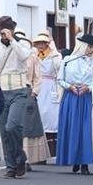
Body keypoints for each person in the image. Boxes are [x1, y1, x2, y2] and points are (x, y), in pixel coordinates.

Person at [0, 17, 35, 178]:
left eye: (6, 30)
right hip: (2, 92)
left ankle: (20, 157)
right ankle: (11, 166)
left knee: (13, 126)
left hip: (19, 91)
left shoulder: (22, 44)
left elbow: (24, 56)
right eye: (1, 31)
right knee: (4, 130)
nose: (3, 34)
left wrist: (12, 40)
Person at [55, 36, 93, 173]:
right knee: (72, 128)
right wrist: (69, 86)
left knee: (85, 130)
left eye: (92, 47)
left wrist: (88, 88)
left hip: (86, 98)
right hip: (71, 97)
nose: (91, 50)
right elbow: (60, 79)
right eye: (89, 47)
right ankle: (73, 159)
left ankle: (84, 162)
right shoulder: (67, 60)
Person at [33, 33, 62, 164]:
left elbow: (58, 67)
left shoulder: (55, 55)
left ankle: (53, 152)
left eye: (42, 43)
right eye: (38, 43)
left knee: (51, 119)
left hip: (50, 86)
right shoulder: (34, 55)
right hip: (38, 86)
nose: (40, 45)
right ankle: (39, 154)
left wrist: (54, 52)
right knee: (39, 118)